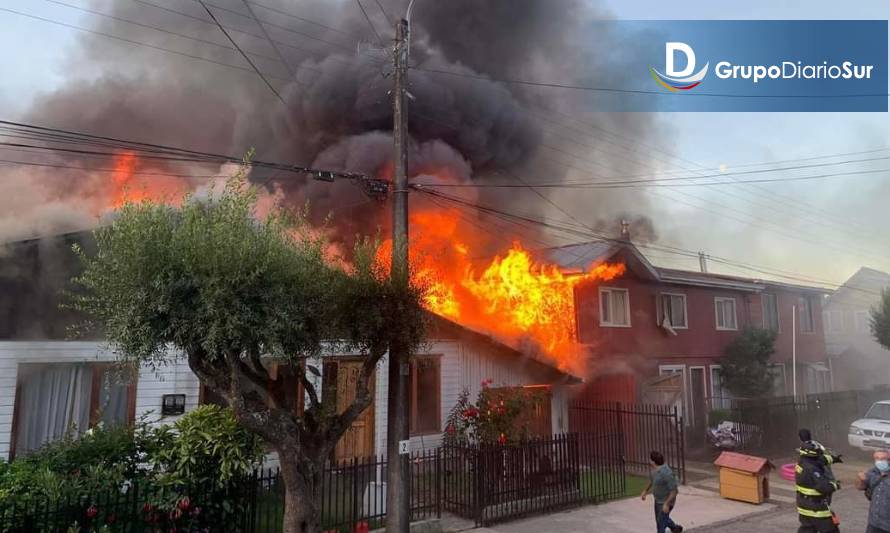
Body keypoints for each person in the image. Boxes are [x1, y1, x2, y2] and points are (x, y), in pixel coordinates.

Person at [796, 430, 841, 533]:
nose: (819, 456)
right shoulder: (812, 470)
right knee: (831, 529)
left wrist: (834, 459)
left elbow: (821, 459)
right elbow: (823, 487)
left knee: (807, 529)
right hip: (816, 508)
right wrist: (835, 485)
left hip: (803, 505)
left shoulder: (803, 460)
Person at [641, 450, 683, 533]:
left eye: (650, 459)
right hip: (658, 500)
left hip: (666, 502)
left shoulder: (666, 473)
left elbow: (674, 491)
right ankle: (675, 528)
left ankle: (673, 528)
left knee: (660, 525)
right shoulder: (655, 470)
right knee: (661, 519)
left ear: (653, 461)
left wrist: (666, 504)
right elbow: (652, 480)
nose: (649, 461)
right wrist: (645, 491)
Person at [856, 449, 890, 533]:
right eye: (877, 458)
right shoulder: (871, 472)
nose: (879, 461)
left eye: (883, 458)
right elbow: (860, 487)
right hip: (874, 522)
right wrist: (861, 479)